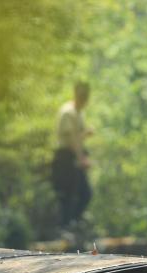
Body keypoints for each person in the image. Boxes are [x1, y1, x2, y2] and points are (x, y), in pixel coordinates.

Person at [51, 81, 93, 237]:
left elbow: (77, 139)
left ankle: (74, 223)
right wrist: (81, 158)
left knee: (84, 193)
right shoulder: (67, 112)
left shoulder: (79, 112)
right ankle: (64, 227)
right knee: (67, 194)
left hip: (75, 156)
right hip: (65, 157)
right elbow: (71, 140)